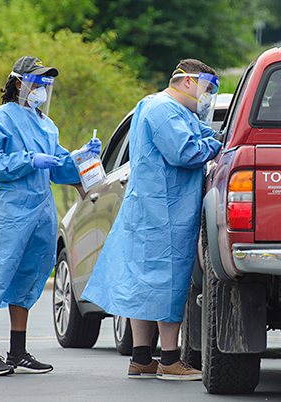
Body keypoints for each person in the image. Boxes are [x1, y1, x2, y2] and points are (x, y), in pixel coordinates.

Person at [81, 59, 222, 380]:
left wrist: (211, 138)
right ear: (186, 81)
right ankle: (170, 360)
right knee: (167, 284)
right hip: (164, 214)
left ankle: (142, 358)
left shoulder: (164, 108)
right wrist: (214, 145)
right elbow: (185, 152)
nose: (208, 97)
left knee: (143, 285)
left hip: (150, 211)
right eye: (207, 88)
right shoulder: (164, 110)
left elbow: (203, 134)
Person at [0, 56, 102, 376]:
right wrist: (29, 160)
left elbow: (59, 168)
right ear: (19, 83)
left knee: (30, 276)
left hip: (42, 210)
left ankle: (17, 351)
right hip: (14, 210)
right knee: (0, 273)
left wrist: (82, 157)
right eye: (37, 83)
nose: (43, 90)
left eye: (47, 84)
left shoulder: (47, 124)